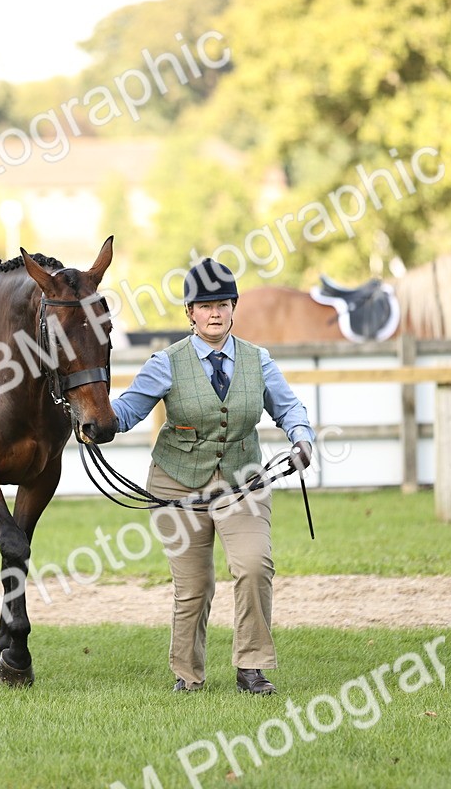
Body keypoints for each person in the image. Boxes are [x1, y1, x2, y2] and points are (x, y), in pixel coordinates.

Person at [111, 259, 313, 695]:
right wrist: (96, 419)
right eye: (204, 306)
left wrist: (302, 438)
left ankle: (252, 667)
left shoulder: (259, 361)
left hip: (242, 481)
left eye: (222, 303)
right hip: (176, 483)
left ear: (234, 306)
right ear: (190, 313)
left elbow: (289, 407)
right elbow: (126, 412)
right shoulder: (165, 363)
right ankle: (188, 674)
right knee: (194, 585)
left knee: (255, 565)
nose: (214, 313)